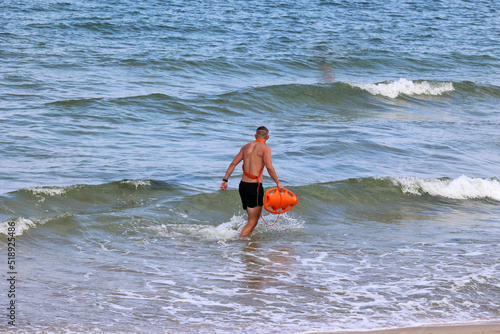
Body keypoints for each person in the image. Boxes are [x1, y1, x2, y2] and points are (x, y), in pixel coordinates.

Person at [220, 126, 284, 237]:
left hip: (243, 186)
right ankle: (239, 243)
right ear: (267, 137)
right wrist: (278, 183)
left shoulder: (245, 147)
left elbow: (233, 164)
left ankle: (248, 242)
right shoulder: (265, 148)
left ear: (255, 136)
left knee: (251, 218)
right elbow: (269, 167)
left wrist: (225, 180)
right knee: (253, 221)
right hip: (255, 187)